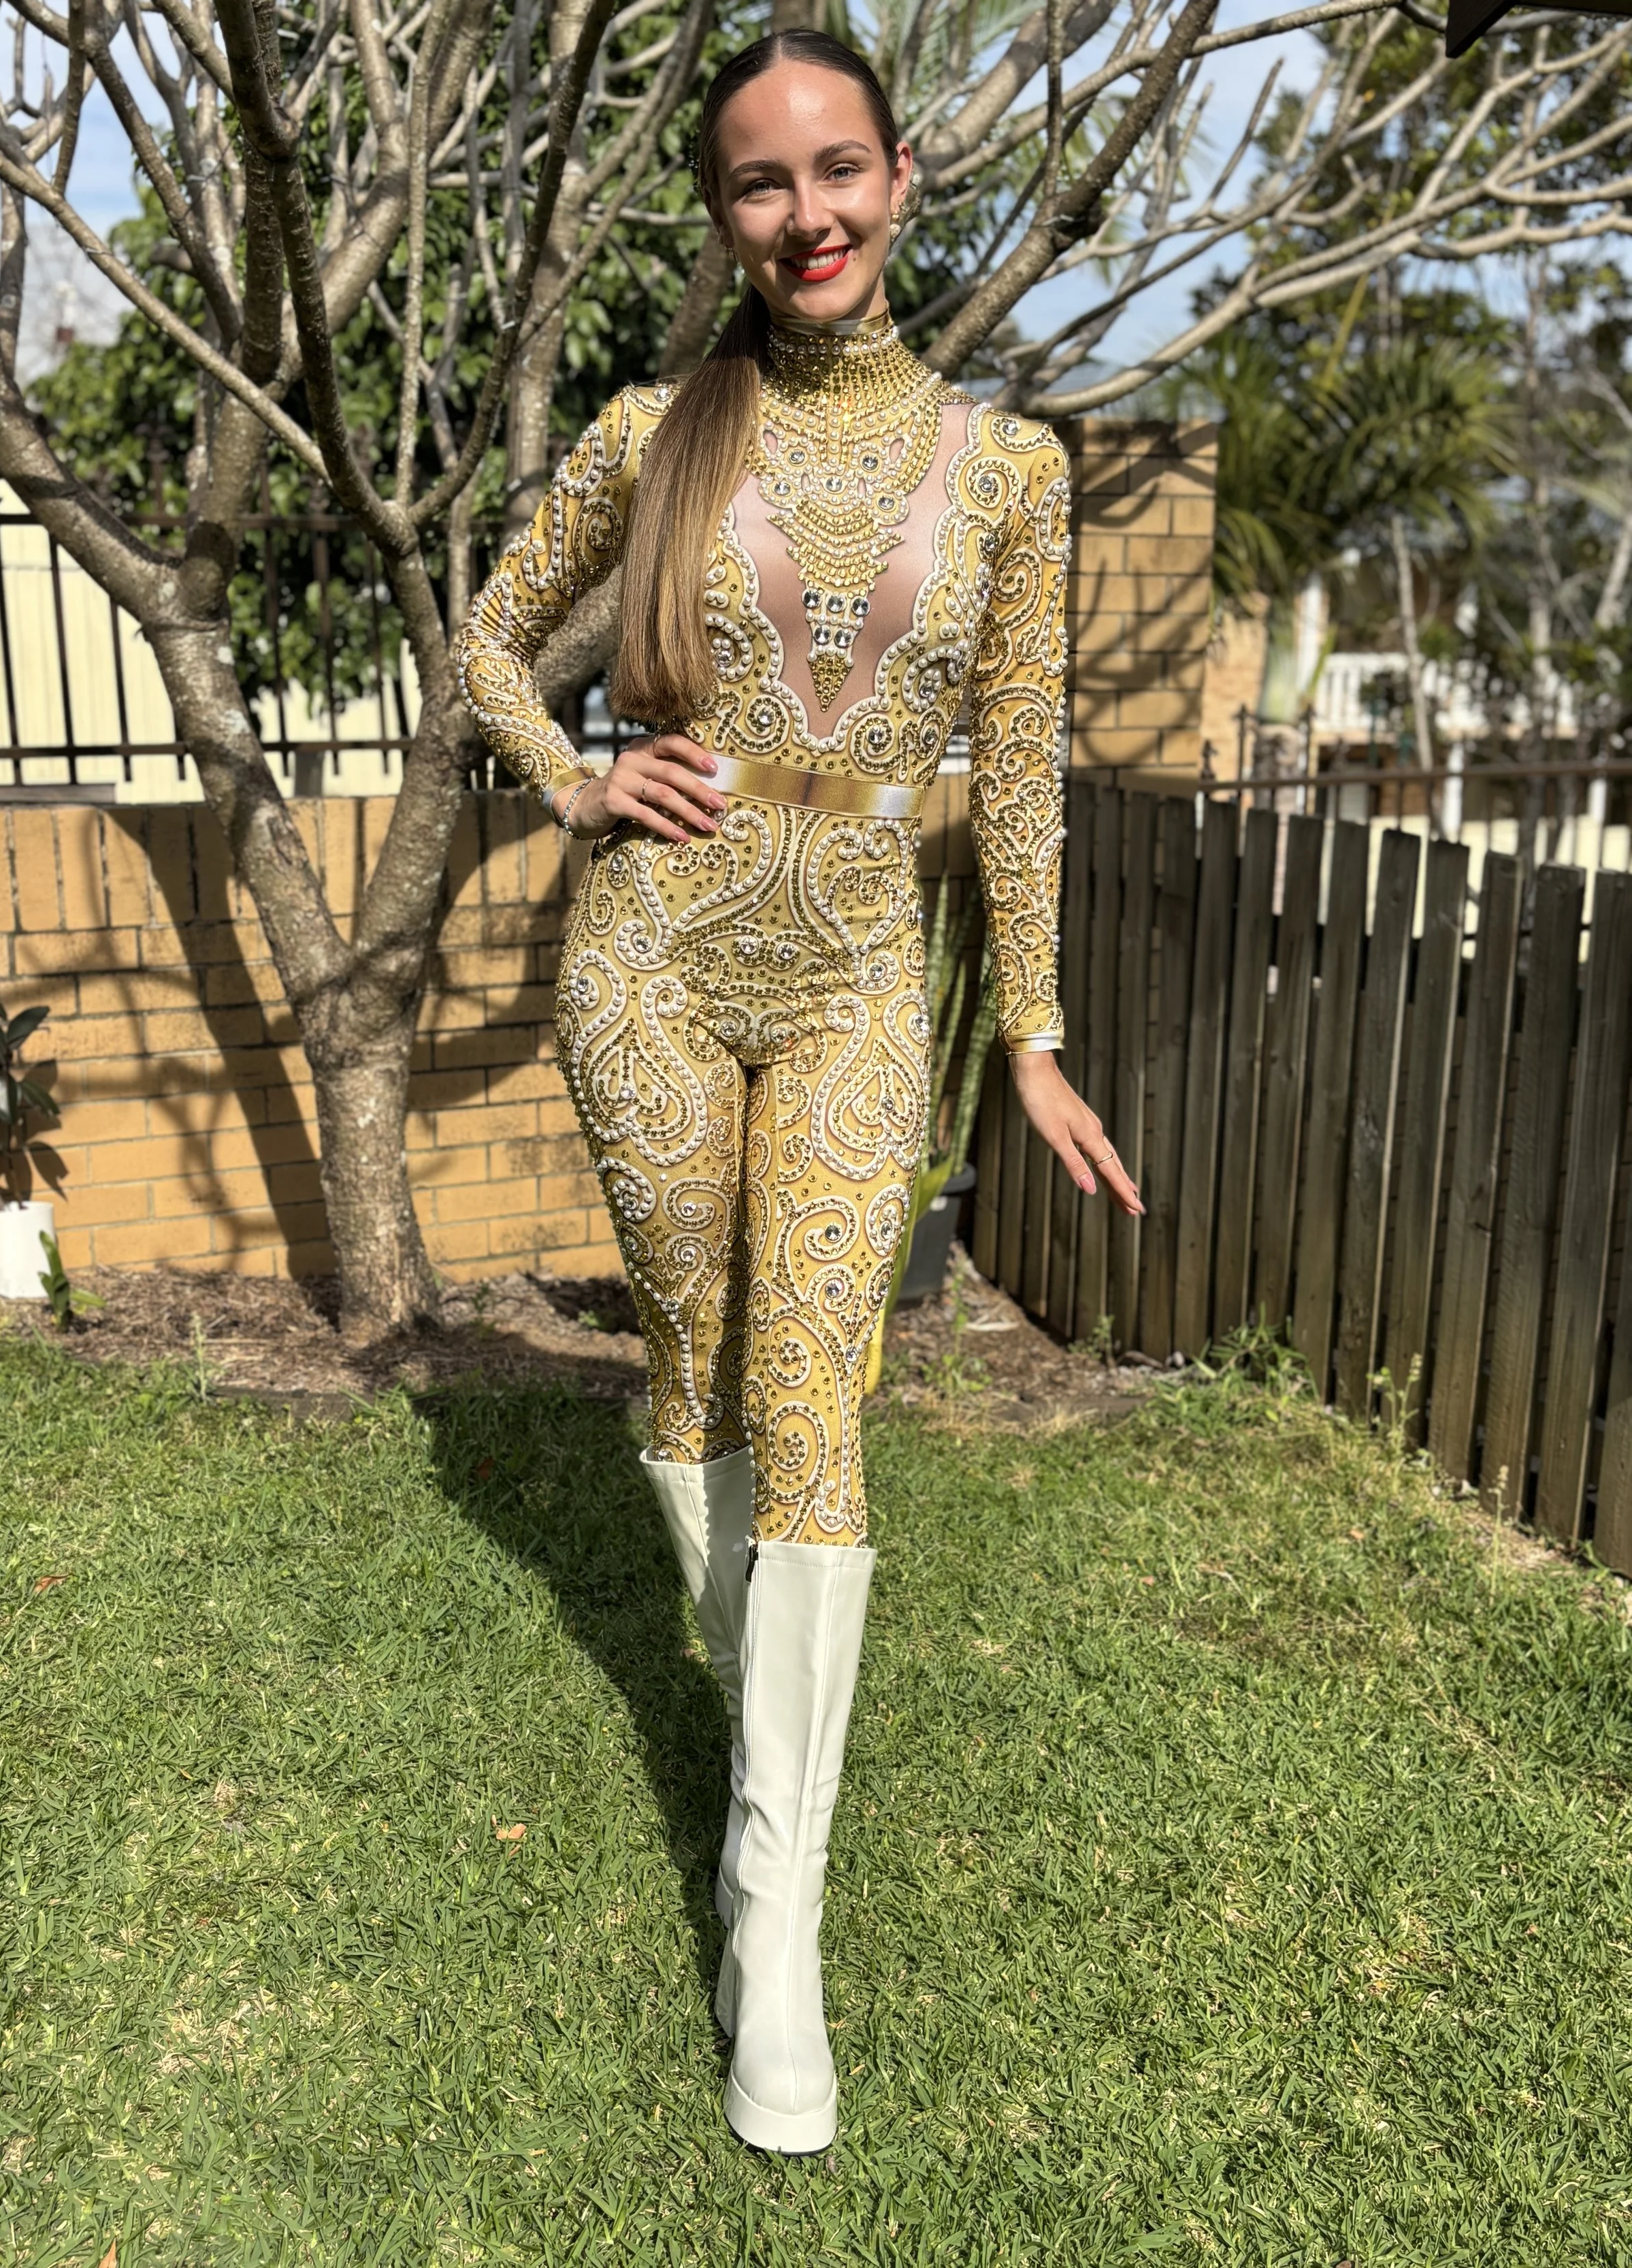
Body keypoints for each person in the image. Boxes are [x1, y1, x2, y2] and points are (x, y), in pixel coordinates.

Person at [457, 28, 1143, 2156]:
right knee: (693, 1351)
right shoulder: (657, 432)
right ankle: (725, 1593)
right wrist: (572, 773)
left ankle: (780, 1908)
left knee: (819, 1381)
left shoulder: (1009, 471)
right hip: (650, 957)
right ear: (723, 211)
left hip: (860, 969)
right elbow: (489, 633)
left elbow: (1015, 764)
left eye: (839, 168)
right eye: (761, 183)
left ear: (902, 172)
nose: (809, 213)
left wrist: (1026, 1028)